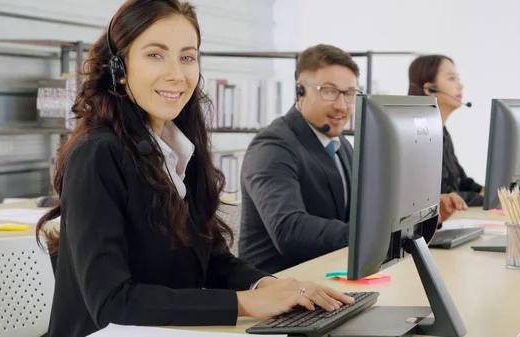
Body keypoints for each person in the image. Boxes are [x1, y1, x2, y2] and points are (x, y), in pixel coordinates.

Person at [35, 2, 353, 337]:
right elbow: (113, 301)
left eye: (187, 57)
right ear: (120, 67)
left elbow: (211, 261)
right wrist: (242, 305)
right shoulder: (97, 153)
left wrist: (273, 287)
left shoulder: (178, 148)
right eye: (156, 55)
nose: (176, 73)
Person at [239, 44, 463, 274]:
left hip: (330, 275)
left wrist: (421, 219)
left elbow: (364, 209)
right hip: (281, 285)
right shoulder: (272, 146)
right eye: (328, 91)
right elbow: (289, 230)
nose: (341, 106)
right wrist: (371, 234)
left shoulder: (339, 144)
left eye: (349, 94)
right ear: (300, 90)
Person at [408, 54, 484, 207]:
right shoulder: (419, 135)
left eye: (458, 78)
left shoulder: (441, 130)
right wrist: (483, 198)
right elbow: (441, 194)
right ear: (430, 89)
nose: (460, 85)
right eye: (451, 78)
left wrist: (486, 191)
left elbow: (461, 181)